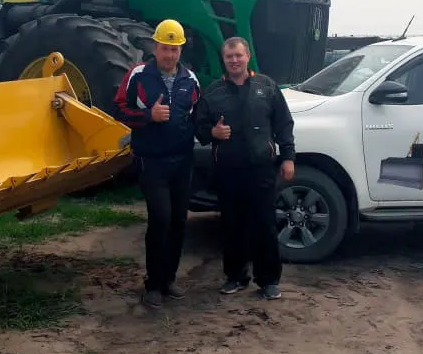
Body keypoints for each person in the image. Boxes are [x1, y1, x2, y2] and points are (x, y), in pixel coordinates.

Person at [194, 37, 295, 300]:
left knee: (265, 225)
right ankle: (236, 277)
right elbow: (198, 127)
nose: (234, 61)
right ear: (224, 60)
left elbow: (284, 123)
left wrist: (288, 157)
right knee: (232, 225)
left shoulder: (266, 87)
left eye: (238, 55)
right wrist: (213, 132)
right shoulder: (213, 92)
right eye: (229, 57)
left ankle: (268, 280)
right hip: (228, 170)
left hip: (261, 168)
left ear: (247, 56)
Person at [113, 18, 201, 308]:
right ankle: (153, 284)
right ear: (155, 47)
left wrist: (211, 132)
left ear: (181, 50)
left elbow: (197, 117)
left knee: (179, 221)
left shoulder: (191, 79)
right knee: (161, 219)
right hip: (152, 162)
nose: (169, 54)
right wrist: (148, 116)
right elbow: (118, 110)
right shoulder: (138, 75)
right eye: (165, 48)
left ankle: (168, 280)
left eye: (175, 49)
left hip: (182, 162)